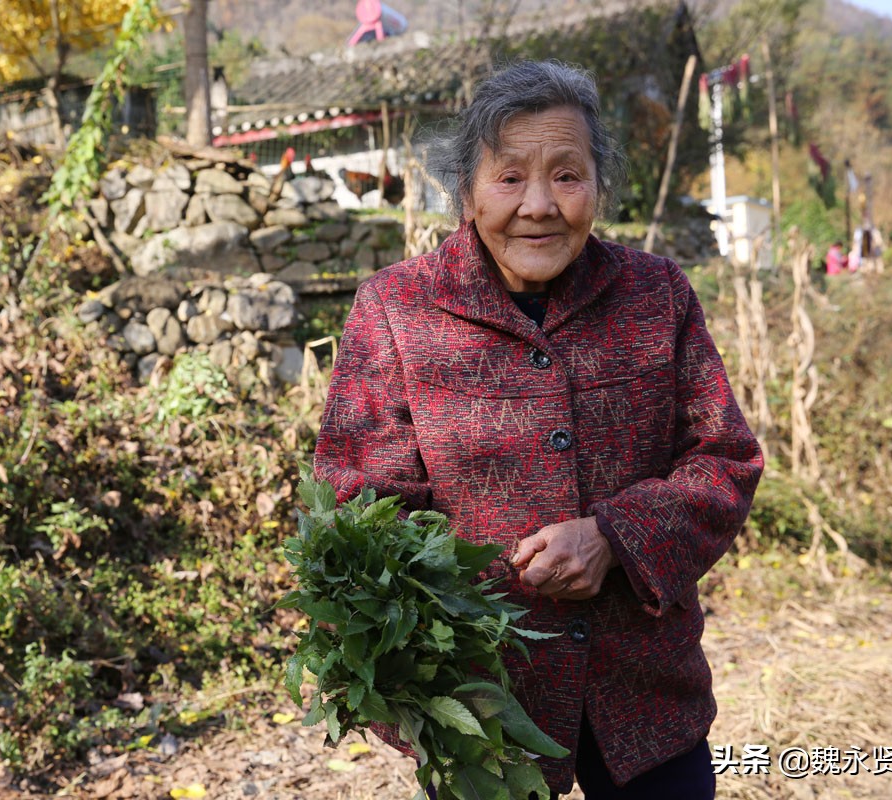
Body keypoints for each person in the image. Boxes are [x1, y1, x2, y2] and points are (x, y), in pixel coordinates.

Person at [314, 60, 763, 799]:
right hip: (481, 704)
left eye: (566, 175)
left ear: (598, 185)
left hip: (647, 689)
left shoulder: (656, 296)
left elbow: (725, 459)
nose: (539, 205)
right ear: (466, 190)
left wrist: (615, 538)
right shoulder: (397, 310)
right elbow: (358, 503)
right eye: (509, 177)